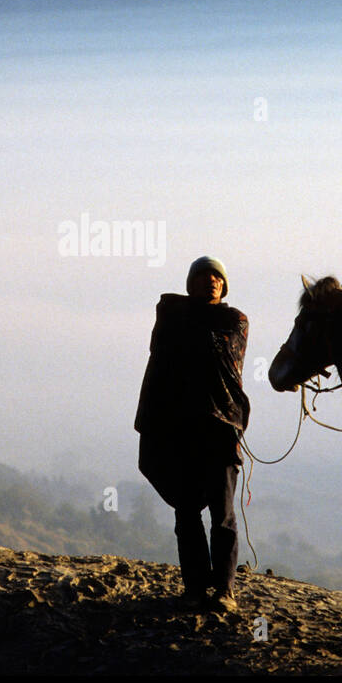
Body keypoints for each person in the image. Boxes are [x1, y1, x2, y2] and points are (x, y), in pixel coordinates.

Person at [134, 256, 251, 612]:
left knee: (223, 515)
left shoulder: (234, 321)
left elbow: (217, 352)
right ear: (191, 283)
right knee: (186, 513)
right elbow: (163, 357)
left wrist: (179, 316)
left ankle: (225, 590)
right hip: (178, 430)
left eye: (217, 276)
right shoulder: (171, 318)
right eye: (203, 276)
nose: (211, 281)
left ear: (224, 286)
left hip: (219, 429)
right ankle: (195, 588)